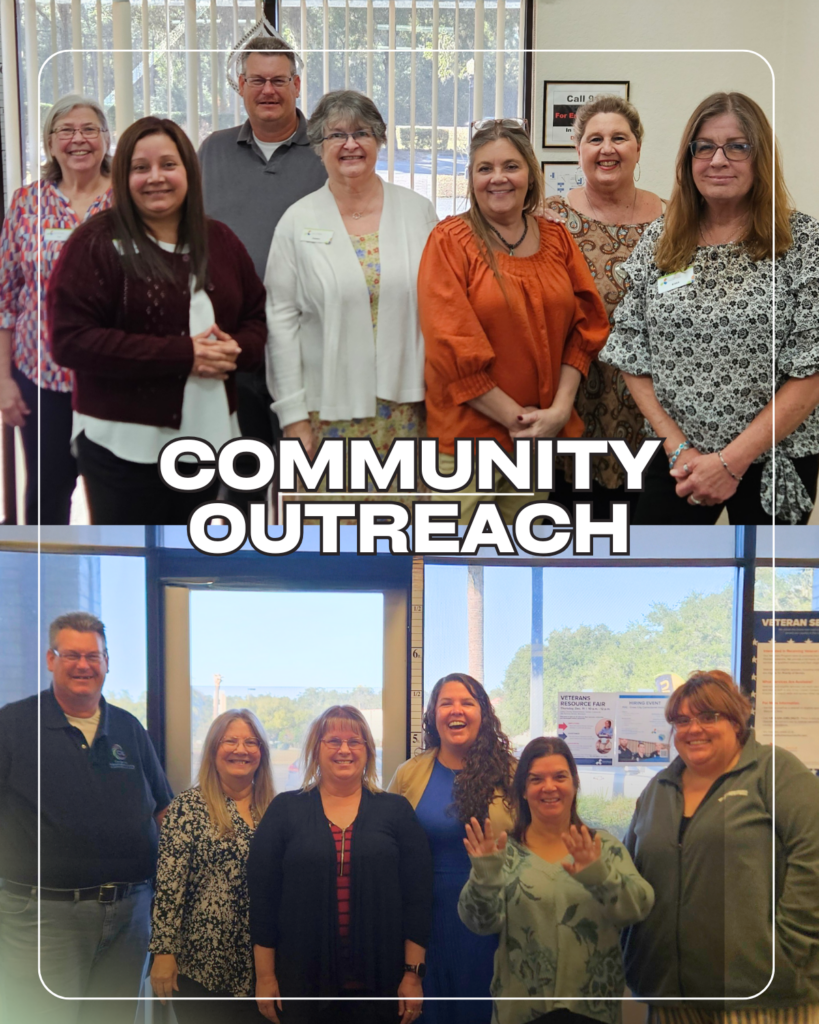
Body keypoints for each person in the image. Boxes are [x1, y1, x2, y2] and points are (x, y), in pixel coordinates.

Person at [600, 91, 819, 524]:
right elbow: (630, 351)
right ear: (689, 158)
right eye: (705, 147)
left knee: (764, 585)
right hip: (677, 458)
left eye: (738, 146)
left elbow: (810, 370)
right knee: (656, 578)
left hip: (773, 455)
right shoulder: (663, 240)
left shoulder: (802, 243)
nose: (719, 160)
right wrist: (679, 447)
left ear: (761, 157)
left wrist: (731, 461)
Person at [47, 116, 267, 525]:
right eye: (140, 167)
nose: (156, 178)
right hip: (123, 448)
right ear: (123, 176)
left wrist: (236, 350)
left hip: (206, 440)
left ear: (188, 171)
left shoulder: (219, 239)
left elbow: (257, 317)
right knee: (131, 571)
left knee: (189, 568)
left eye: (168, 164)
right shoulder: (94, 243)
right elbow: (70, 340)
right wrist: (185, 355)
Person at [418, 118, 610, 523]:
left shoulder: (558, 240)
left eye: (510, 166)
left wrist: (559, 411)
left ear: (530, 174)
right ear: (471, 179)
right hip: (467, 443)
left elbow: (585, 329)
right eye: (485, 168)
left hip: (536, 441)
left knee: (518, 567)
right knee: (455, 564)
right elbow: (450, 346)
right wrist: (519, 420)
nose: (498, 178)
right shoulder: (448, 242)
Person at [0, 611, 172, 1024]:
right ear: (50, 659)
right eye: (71, 654)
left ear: (107, 663)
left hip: (130, 914)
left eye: (93, 656)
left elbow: (164, 811)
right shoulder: (13, 725)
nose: (83, 665)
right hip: (43, 917)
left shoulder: (129, 729)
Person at [265, 90, 438, 496]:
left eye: (362, 132)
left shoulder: (418, 212)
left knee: (400, 536)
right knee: (330, 539)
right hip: (324, 413)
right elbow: (281, 321)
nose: (350, 144)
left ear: (378, 140)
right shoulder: (296, 220)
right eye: (335, 135)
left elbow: (442, 306)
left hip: (406, 410)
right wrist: (292, 419)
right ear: (318, 146)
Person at [622, 670, 819, 1016]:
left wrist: (786, 952)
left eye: (708, 716)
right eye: (681, 720)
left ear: (736, 719)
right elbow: (629, 873)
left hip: (758, 997)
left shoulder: (774, 772)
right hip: (671, 996)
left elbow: (813, 860)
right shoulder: (658, 789)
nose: (693, 728)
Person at [198, 35, 327, 508]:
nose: (267, 90)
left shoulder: (329, 151)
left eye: (278, 80)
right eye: (257, 80)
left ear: (297, 85)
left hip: (314, 349)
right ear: (240, 86)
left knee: (310, 490)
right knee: (241, 485)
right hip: (235, 350)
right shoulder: (210, 152)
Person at [248, 705, 433, 1024]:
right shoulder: (284, 810)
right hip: (302, 985)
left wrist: (413, 976)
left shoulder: (396, 811)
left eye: (355, 741)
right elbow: (263, 900)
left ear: (368, 751)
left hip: (380, 984)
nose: (344, 749)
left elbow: (418, 899)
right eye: (333, 741)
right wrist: (265, 978)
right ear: (315, 749)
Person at [458, 736, 654, 1024]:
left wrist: (600, 875)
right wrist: (485, 876)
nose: (549, 787)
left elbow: (638, 908)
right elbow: (480, 923)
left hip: (593, 1011)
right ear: (523, 790)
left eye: (559, 777)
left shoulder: (602, 846)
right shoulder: (504, 853)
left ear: (574, 784)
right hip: (522, 1012)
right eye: (536, 779)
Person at [543, 96, 664, 517]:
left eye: (619, 138)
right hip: (571, 401)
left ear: (638, 147)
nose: (607, 148)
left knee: (642, 537)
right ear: (578, 150)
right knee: (573, 532)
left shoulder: (675, 221)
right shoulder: (548, 220)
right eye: (595, 139)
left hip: (653, 409)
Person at [0, 93, 112, 524]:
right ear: (49, 143)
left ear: (106, 140)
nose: (78, 139)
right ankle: (41, 589)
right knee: (45, 501)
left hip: (114, 381)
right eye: (66, 130)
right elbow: (6, 297)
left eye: (89, 129)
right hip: (40, 378)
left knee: (114, 503)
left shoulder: (129, 201)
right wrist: (5, 380)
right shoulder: (27, 203)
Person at [388, 673, 517, 1024]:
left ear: (484, 713)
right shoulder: (408, 775)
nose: (456, 710)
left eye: (467, 702)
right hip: (423, 925)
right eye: (446, 703)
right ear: (433, 715)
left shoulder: (513, 774)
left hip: (494, 924)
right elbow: (387, 850)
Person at [150, 709, 276, 1022]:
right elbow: (169, 886)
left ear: (262, 752)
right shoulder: (188, 807)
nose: (241, 750)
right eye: (229, 741)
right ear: (213, 750)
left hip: (265, 965)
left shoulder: (275, 809)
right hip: (202, 966)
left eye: (251, 742)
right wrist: (164, 952)